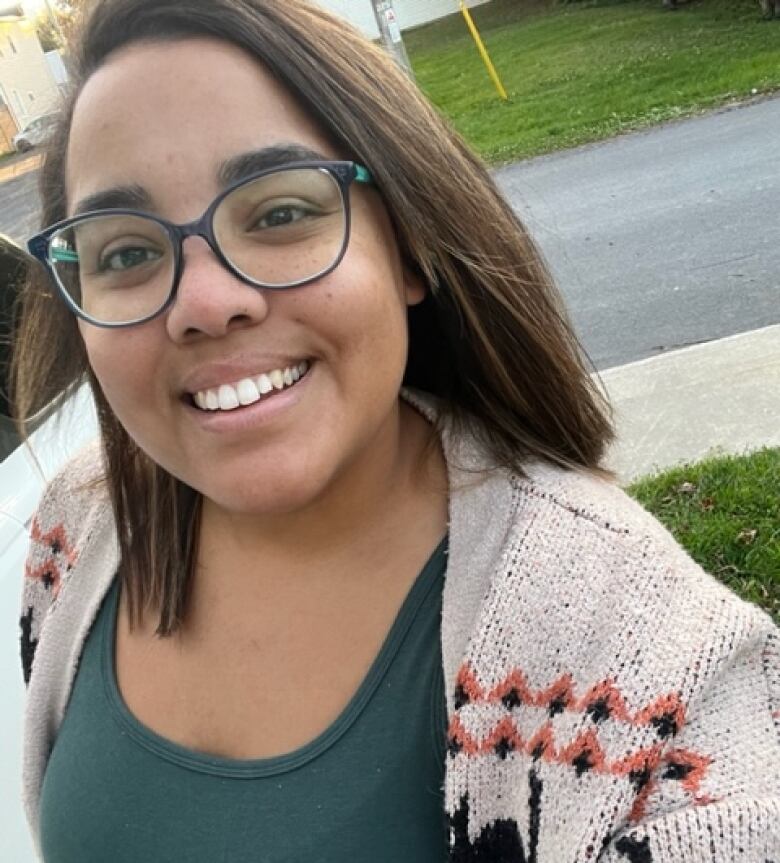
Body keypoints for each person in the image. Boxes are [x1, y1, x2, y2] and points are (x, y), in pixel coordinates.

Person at [13, 0, 779, 860]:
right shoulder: (76, 527)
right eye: (124, 253)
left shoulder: (652, 679)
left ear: (409, 243)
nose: (204, 302)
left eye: (277, 213)